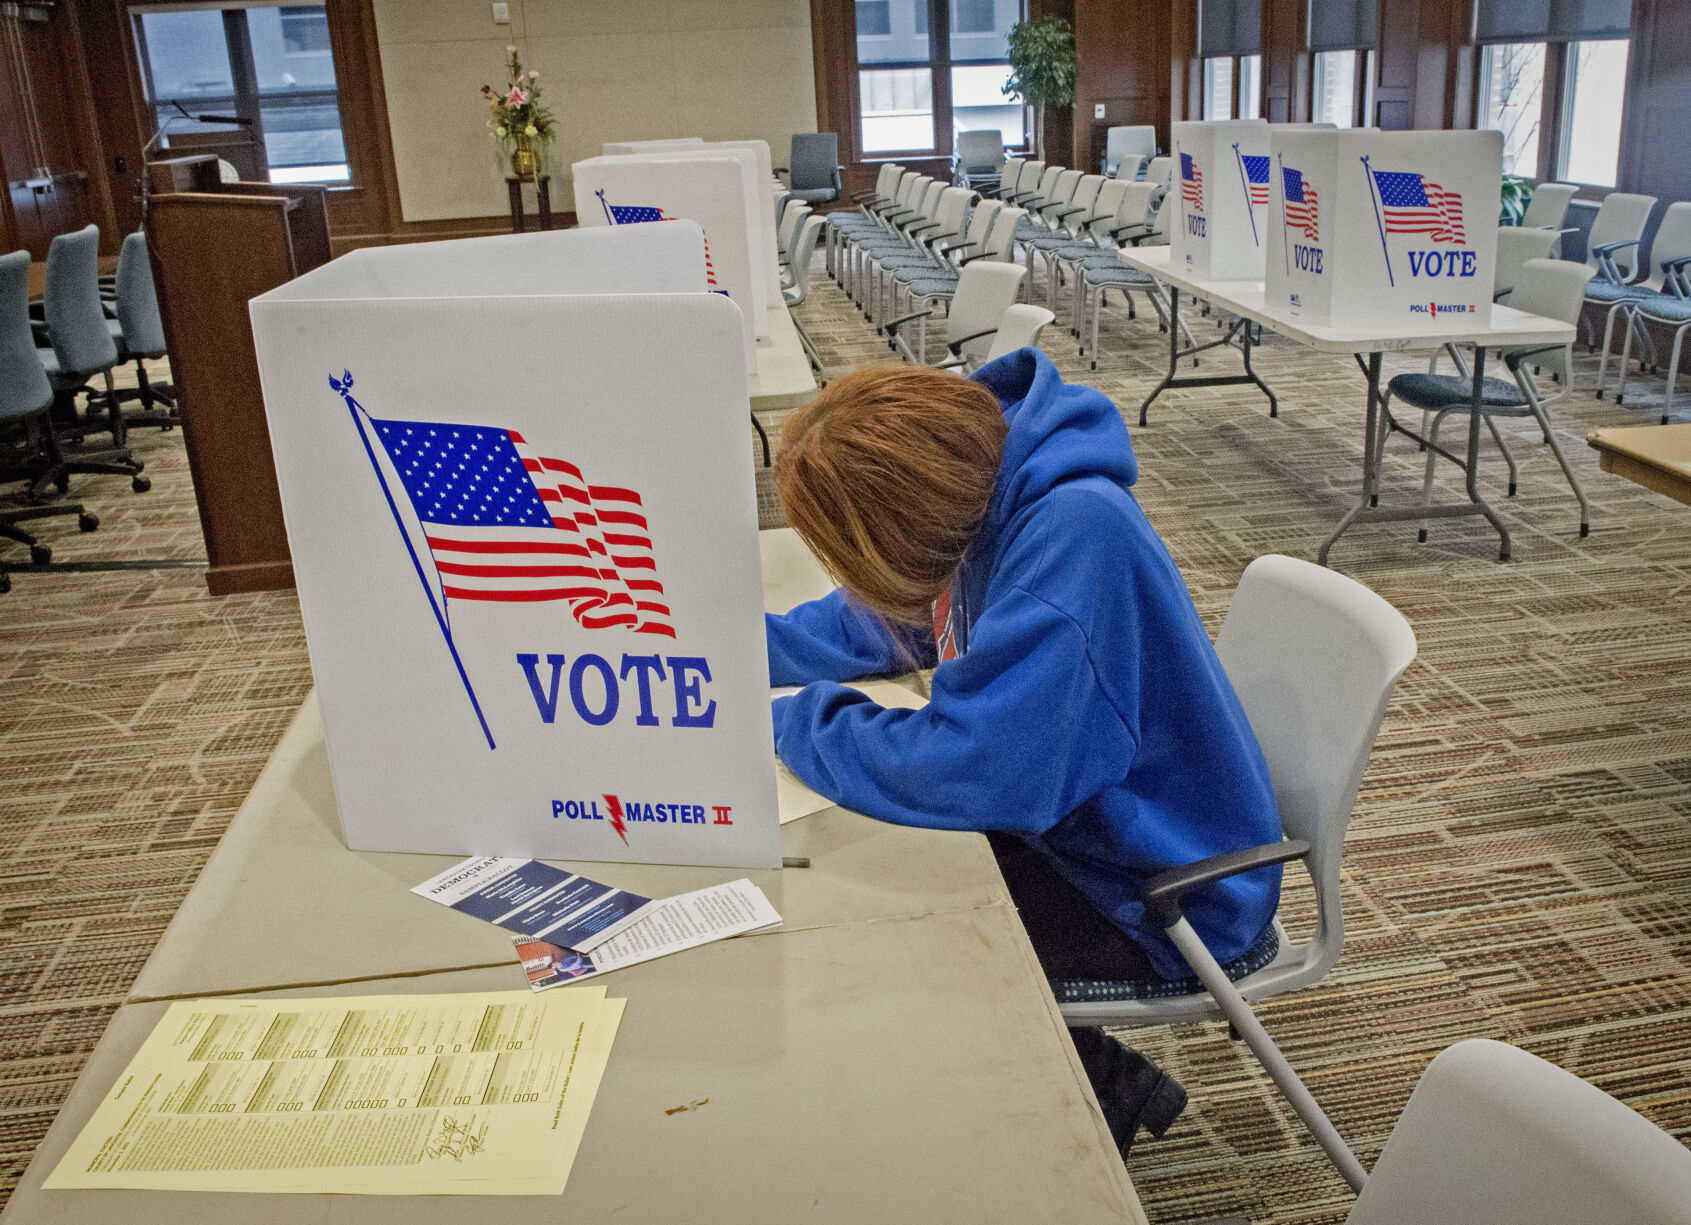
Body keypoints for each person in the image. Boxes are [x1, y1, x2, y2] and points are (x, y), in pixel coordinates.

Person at [766, 349, 1284, 1158]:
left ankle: (1069, 1110)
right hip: (1088, 830)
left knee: (887, 938)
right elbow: (886, 615)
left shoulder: (1071, 537)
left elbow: (980, 771)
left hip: (1162, 889)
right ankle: (1101, 1083)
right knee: (877, 876)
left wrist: (797, 722)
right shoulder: (984, 489)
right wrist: (730, 652)